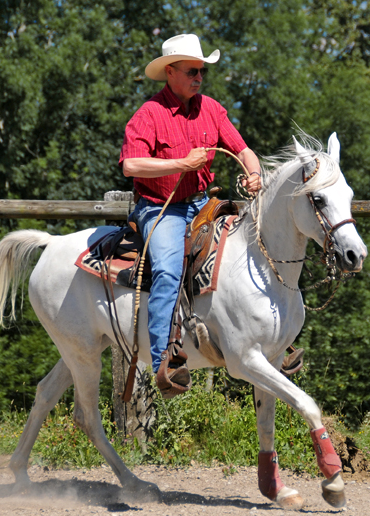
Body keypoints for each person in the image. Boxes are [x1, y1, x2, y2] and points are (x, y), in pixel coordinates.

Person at [119, 34, 262, 382]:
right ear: (170, 72)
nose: (199, 78)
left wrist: (255, 174)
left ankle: (268, 336)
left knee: (250, 247)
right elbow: (131, 166)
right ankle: (163, 362)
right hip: (159, 209)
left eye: (202, 72)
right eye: (192, 71)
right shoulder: (148, 114)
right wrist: (182, 165)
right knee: (168, 271)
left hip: (202, 204)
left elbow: (242, 151)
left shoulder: (211, 109)